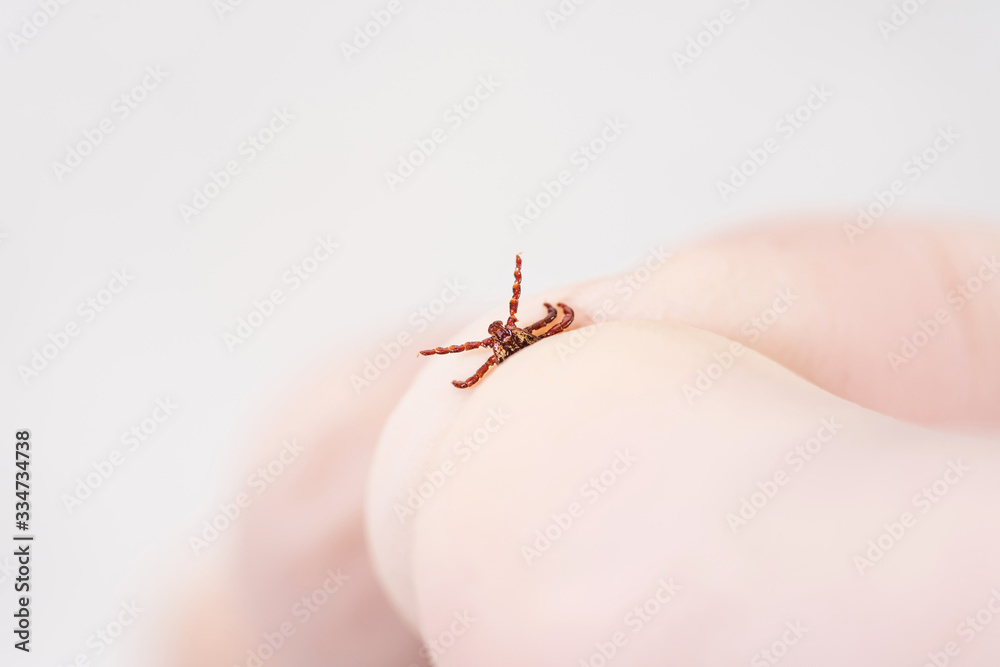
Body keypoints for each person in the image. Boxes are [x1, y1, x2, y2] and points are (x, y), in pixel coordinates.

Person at [150, 219, 1000, 666]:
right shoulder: (518, 344)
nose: (503, 333)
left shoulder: (520, 354)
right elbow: (521, 337)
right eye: (502, 334)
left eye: (511, 325)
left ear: (520, 324)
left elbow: (533, 335)